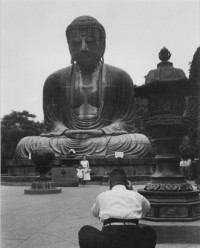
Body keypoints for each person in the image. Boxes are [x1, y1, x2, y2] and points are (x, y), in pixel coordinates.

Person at [15, 15, 151, 159]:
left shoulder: (120, 77)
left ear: (102, 44)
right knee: (25, 145)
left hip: (104, 138)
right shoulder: (54, 80)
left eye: (91, 42)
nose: (83, 48)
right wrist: (65, 131)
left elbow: (125, 122)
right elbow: (52, 123)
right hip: (67, 139)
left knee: (140, 142)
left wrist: (101, 132)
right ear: (68, 46)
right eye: (76, 43)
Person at [77, 169, 157, 248]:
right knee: (150, 231)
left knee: (85, 231)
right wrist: (132, 193)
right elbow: (146, 209)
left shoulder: (103, 196)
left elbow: (95, 213)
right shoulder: (136, 196)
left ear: (110, 182)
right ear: (127, 182)